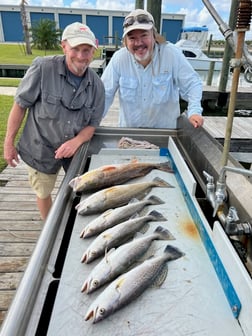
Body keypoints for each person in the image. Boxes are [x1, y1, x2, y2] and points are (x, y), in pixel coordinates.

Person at [4, 22, 105, 220]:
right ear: (64, 46)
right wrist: (8, 143)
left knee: (80, 188)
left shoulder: (97, 86)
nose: (81, 56)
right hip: (40, 147)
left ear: (94, 49)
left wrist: (75, 142)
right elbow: (20, 105)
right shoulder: (42, 68)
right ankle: (48, 228)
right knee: (43, 191)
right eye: (75, 49)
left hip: (75, 150)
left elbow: (92, 125)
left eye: (87, 50)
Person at [101, 9, 204, 129]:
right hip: (130, 136)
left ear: (154, 36)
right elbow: (104, 94)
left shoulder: (171, 54)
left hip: (165, 135)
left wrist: (194, 111)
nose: (139, 43)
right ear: (125, 41)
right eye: (132, 38)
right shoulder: (119, 58)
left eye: (144, 35)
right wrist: (92, 122)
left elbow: (193, 84)